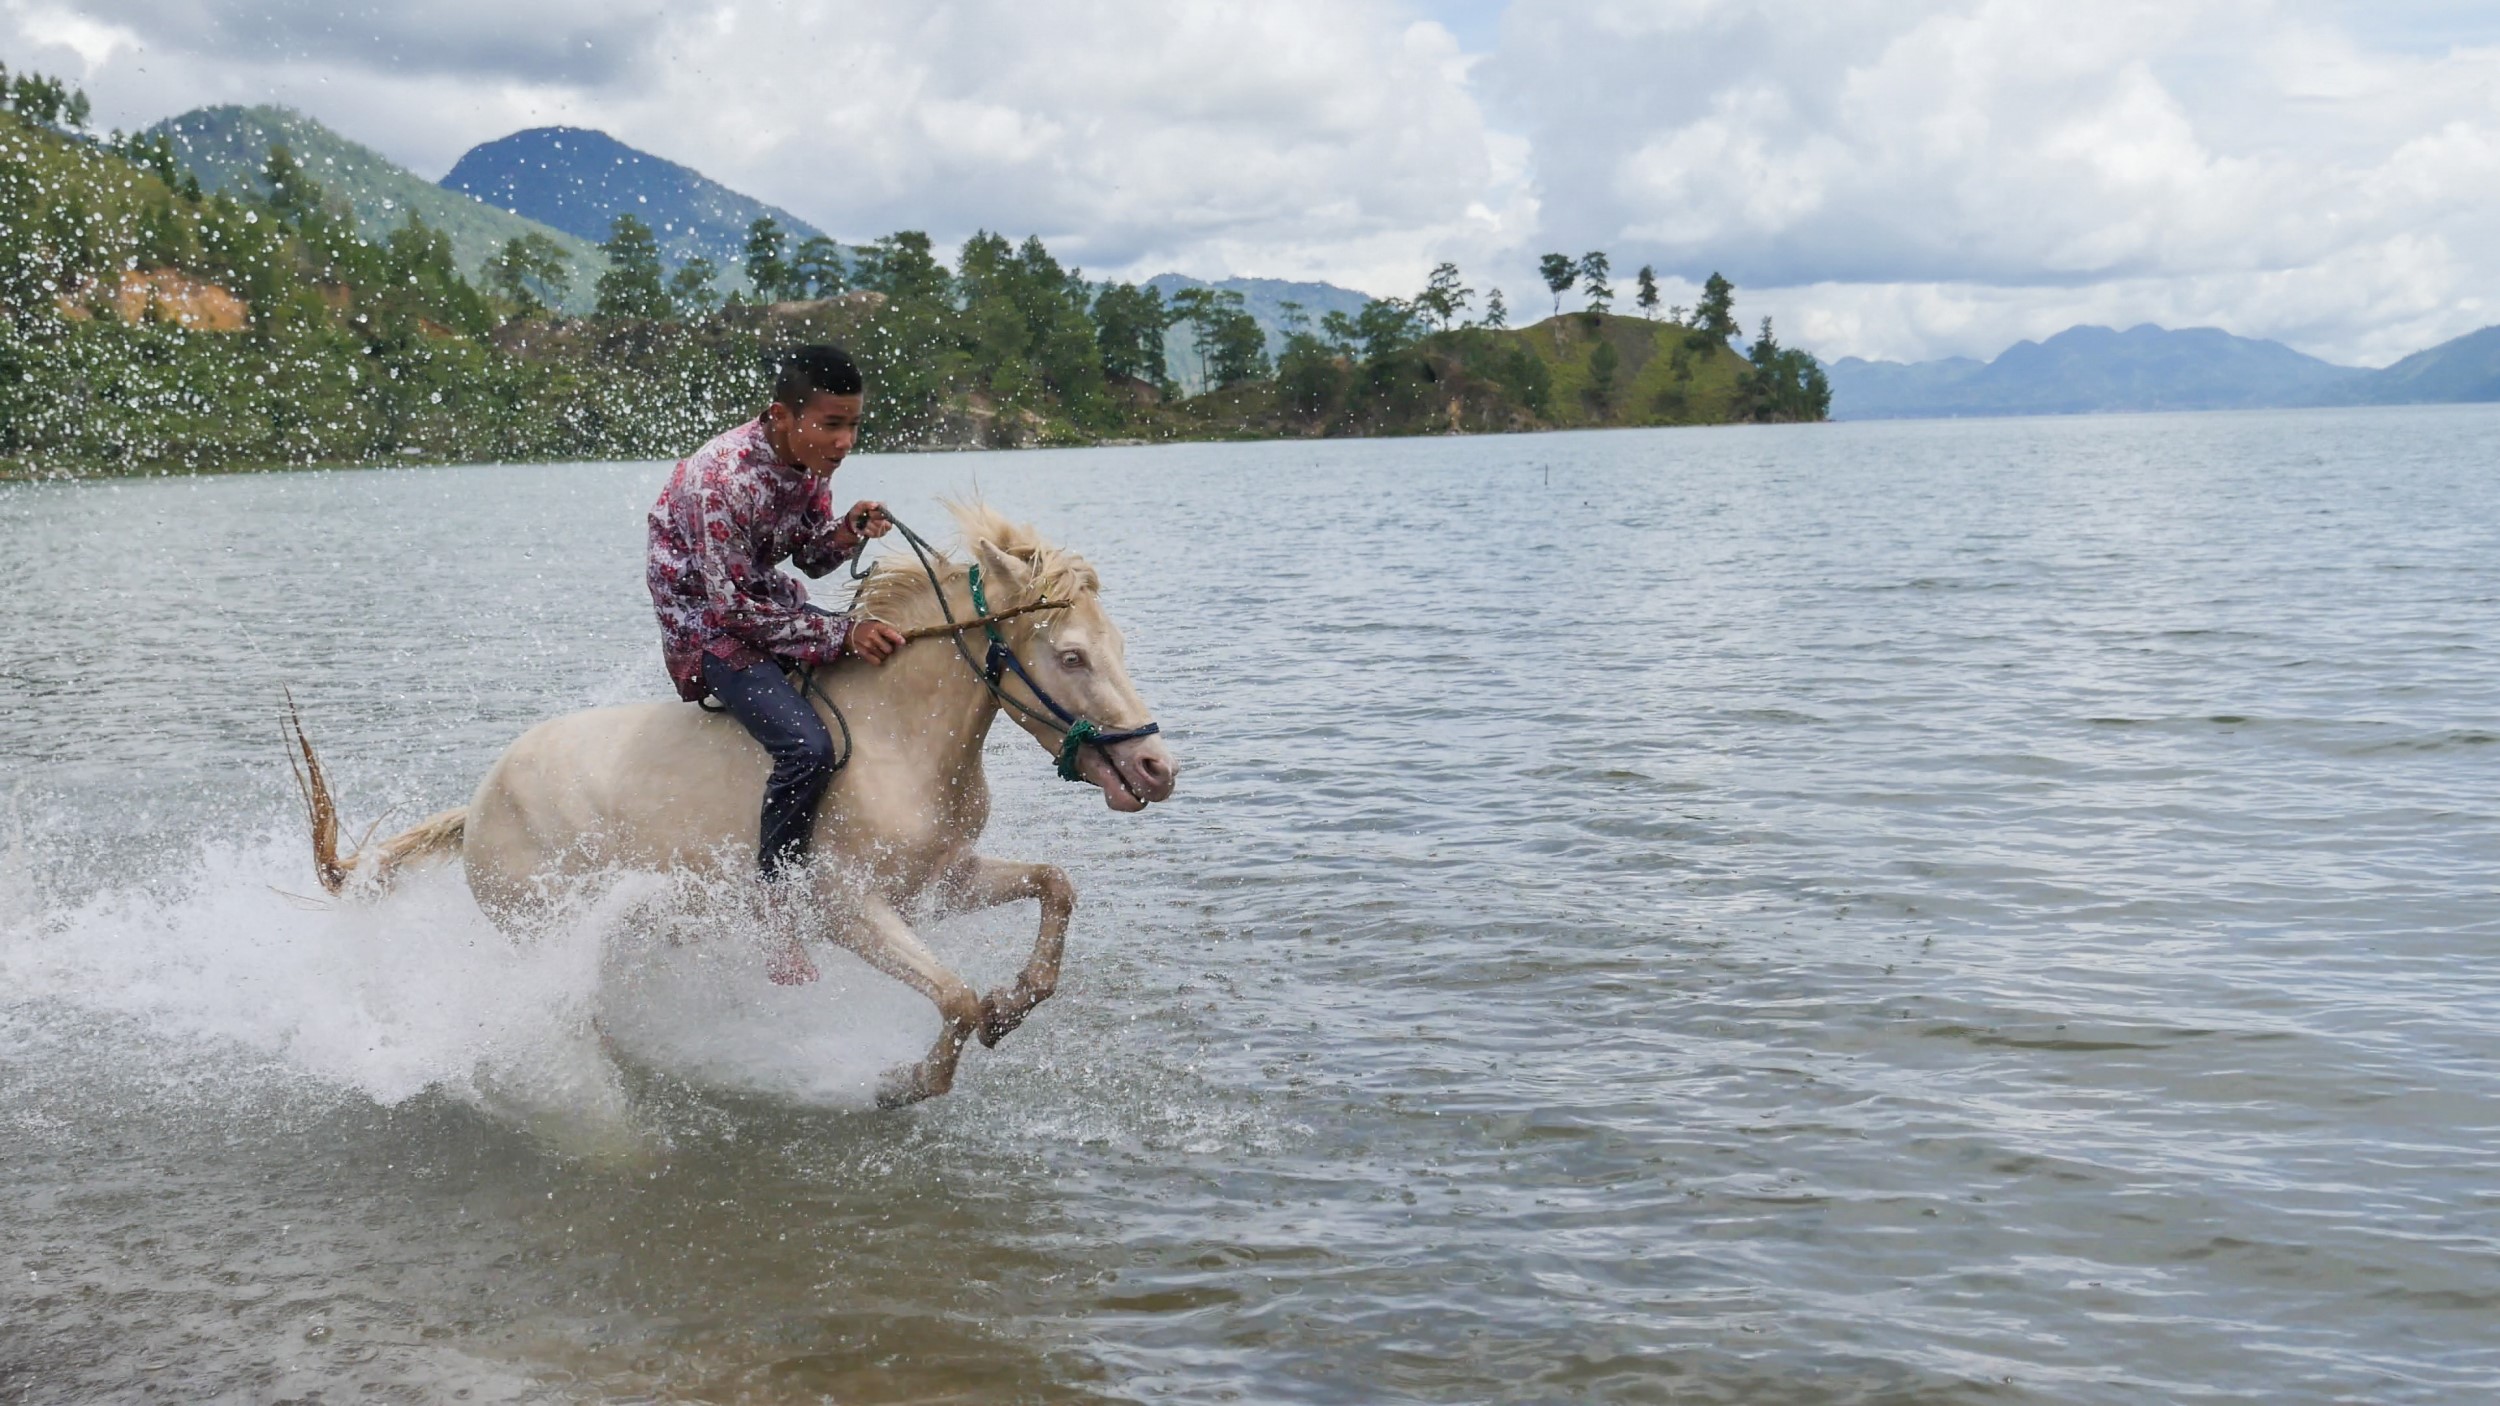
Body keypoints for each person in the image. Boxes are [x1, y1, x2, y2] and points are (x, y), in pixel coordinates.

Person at [645, 344, 908, 886]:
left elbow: (808, 557)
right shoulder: (719, 478)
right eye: (832, 425)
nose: (845, 443)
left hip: (766, 603)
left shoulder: (812, 459)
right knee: (808, 750)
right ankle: (776, 901)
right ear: (782, 416)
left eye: (854, 425)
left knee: (888, 669)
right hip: (708, 630)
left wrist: (846, 529)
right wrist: (844, 633)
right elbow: (734, 611)